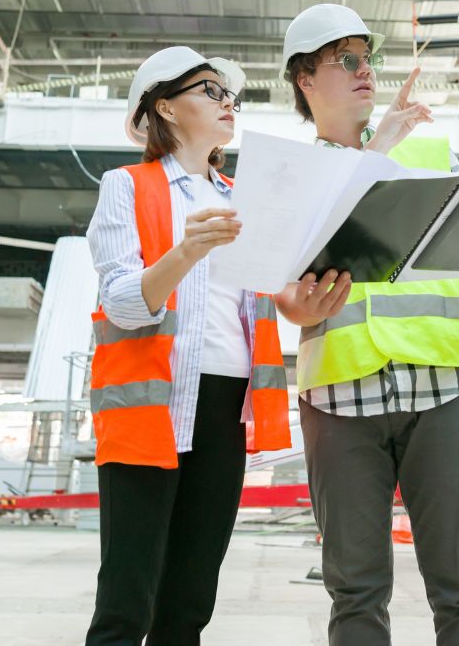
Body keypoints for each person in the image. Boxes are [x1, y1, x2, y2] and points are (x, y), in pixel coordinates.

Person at [275, 5, 459, 646]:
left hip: (444, 390)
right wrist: (300, 308)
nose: (365, 70)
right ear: (305, 78)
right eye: (346, 60)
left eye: (369, 58)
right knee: (355, 593)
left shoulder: (430, 152)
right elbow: (283, 292)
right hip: (339, 401)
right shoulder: (289, 176)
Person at [84, 46, 291, 646]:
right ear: (166, 108)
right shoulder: (126, 186)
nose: (228, 103)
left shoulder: (244, 199)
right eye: (210, 90)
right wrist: (185, 252)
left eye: (231, 96)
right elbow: (121, 303)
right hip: (149, 406)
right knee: (127, 600)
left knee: (191, 601)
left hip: (226, 405)